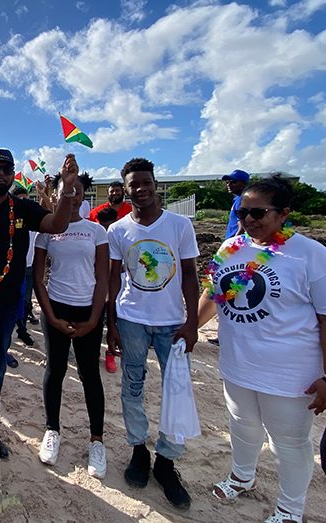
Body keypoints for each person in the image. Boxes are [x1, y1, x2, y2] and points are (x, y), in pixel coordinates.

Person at [197, 177, 326, 523]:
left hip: (290, 374)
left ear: (283, 214)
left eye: (258, 212)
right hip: (237, 365)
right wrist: (189, 327)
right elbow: (213, 295)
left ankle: (290, 509)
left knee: (288, 442)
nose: (248, 219)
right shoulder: (230, 249)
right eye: (243, 212)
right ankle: (242, 476)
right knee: (242, 426)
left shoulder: (312, 256)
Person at [0, 144, 77, 510]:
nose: (1, 175)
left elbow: (57, 224)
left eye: (6, 169)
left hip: (6, 308)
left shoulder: (22, 207)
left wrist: (67, 189)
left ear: (12, 174)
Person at [106, 157, 199, 509]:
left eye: (146, 182)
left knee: (176, 389)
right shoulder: (118, 230)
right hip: (131, 319)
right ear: (125, 190)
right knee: (132, 384)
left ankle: (167, 462)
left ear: (155, 184)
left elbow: (190, 273)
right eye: (134, 184)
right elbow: (114, 277)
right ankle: (138, 450)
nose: (141, 189)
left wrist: (191, 322)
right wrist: (112, 321)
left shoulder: (179, 225)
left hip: (172, 322)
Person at [34, 171, 109, 478]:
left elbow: (103, 277)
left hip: (88, 309)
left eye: (77, 190)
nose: (73, 195)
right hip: (56, 308)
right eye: (67, 190)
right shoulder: (47, 231)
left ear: (83, 195)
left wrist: (94, 317)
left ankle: (96, 440)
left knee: (90, 373)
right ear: (57, 194)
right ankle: (52, 430)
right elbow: (38, 278)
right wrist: (50, 315)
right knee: (55, 370)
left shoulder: (96, 231)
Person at [10, 185, 36, 351]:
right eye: (21, 199)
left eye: (27, 199)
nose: (24, 202)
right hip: (13, 270)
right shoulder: (10, 220)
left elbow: (52, 215)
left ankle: (22, 330)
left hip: (29, 269)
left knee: (26, 302)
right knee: (13, 303)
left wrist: (44, 193)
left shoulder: (33, 220)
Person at [96, 207, 119, 373]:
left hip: (119, 292)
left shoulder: (120, 238)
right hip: (99, 292)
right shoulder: (95, 238)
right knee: (97, 325)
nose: (106, 232)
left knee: (116, 325)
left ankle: (111, 353)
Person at [222, 169, 249, 239]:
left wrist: (233, 244)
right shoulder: (238, 199)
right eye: (227, 182)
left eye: (233, 182)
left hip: (235, 242)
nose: (229, 184)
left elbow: (242, 226)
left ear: (243, 184)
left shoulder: (242, 200)